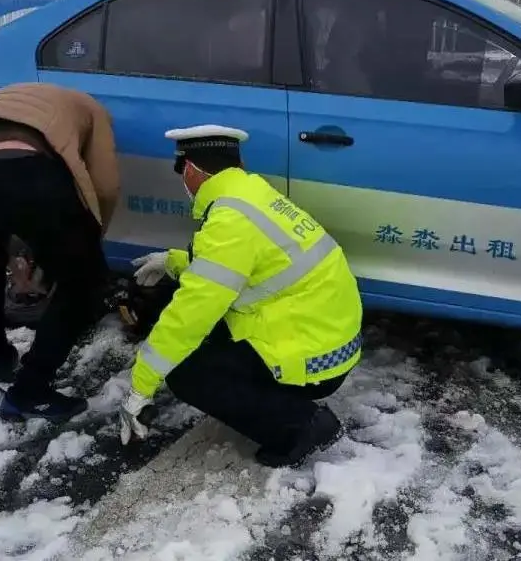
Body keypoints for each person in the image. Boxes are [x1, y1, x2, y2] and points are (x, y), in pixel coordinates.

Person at [117, 125, 363, 467]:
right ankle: (277, 400)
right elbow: (238, 265)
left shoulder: (229, 221)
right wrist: (172, 262)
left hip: (313, 360)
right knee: (198, 331)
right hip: (328, 339)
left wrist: (141, 386)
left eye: (180, 171)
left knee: (186, 371)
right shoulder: (252, 195)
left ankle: (300, 426)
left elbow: (190, 315)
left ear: (190, 169)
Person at [0, 82, 119, 423]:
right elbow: (106, 186)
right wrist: (87, 245)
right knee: (84, 282)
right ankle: (31, 390)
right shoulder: (94, 110)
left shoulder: (14, 96)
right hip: (26, 165)